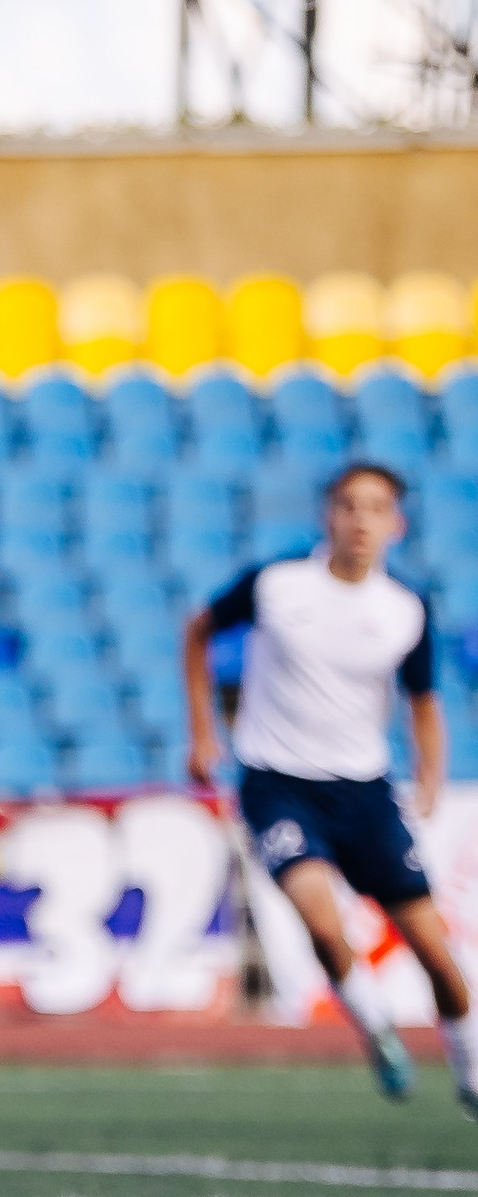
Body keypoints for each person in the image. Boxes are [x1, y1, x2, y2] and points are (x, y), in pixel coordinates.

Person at [186, 461, 477, 1115]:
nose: (361, 520)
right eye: (350, 505)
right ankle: (377, 1027)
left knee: (433, 947)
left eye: (376, 508)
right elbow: (198, 629)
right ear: (329, 515)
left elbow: (423, 702)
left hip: (364, 792)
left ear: (396, 525)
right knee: (320, 917)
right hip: (277, 782)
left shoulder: (404, 609)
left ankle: (469, 1065)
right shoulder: (278, 585)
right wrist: (202, 733)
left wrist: (430, 773)